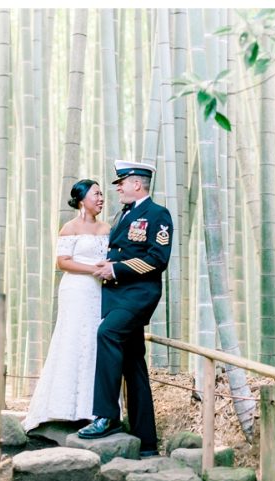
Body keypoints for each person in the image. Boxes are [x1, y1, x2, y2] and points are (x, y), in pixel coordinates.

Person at [77, 160, 173, 458]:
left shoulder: (157, 214)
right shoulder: (123, 214)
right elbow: (120, 249)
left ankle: (106, 417)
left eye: (121, 183)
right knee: (133, 363)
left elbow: (157, 259)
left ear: (137, 184)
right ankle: (147, 441)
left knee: (107, 333)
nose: (117, 188)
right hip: (118, 295)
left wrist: (116, 269)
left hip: (138, 295)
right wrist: (109, 265)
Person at [23, 179, 111, 433]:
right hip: (76, 289)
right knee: (72, 339)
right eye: (96, 194)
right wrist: (93, 269)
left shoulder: (107, 228)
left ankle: (91, 409)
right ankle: (63, 407)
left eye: (101, 194)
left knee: (94, 341)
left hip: (99, 291)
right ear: (82, 200)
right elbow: (63, 262)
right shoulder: (69, 228)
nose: (101, 198)